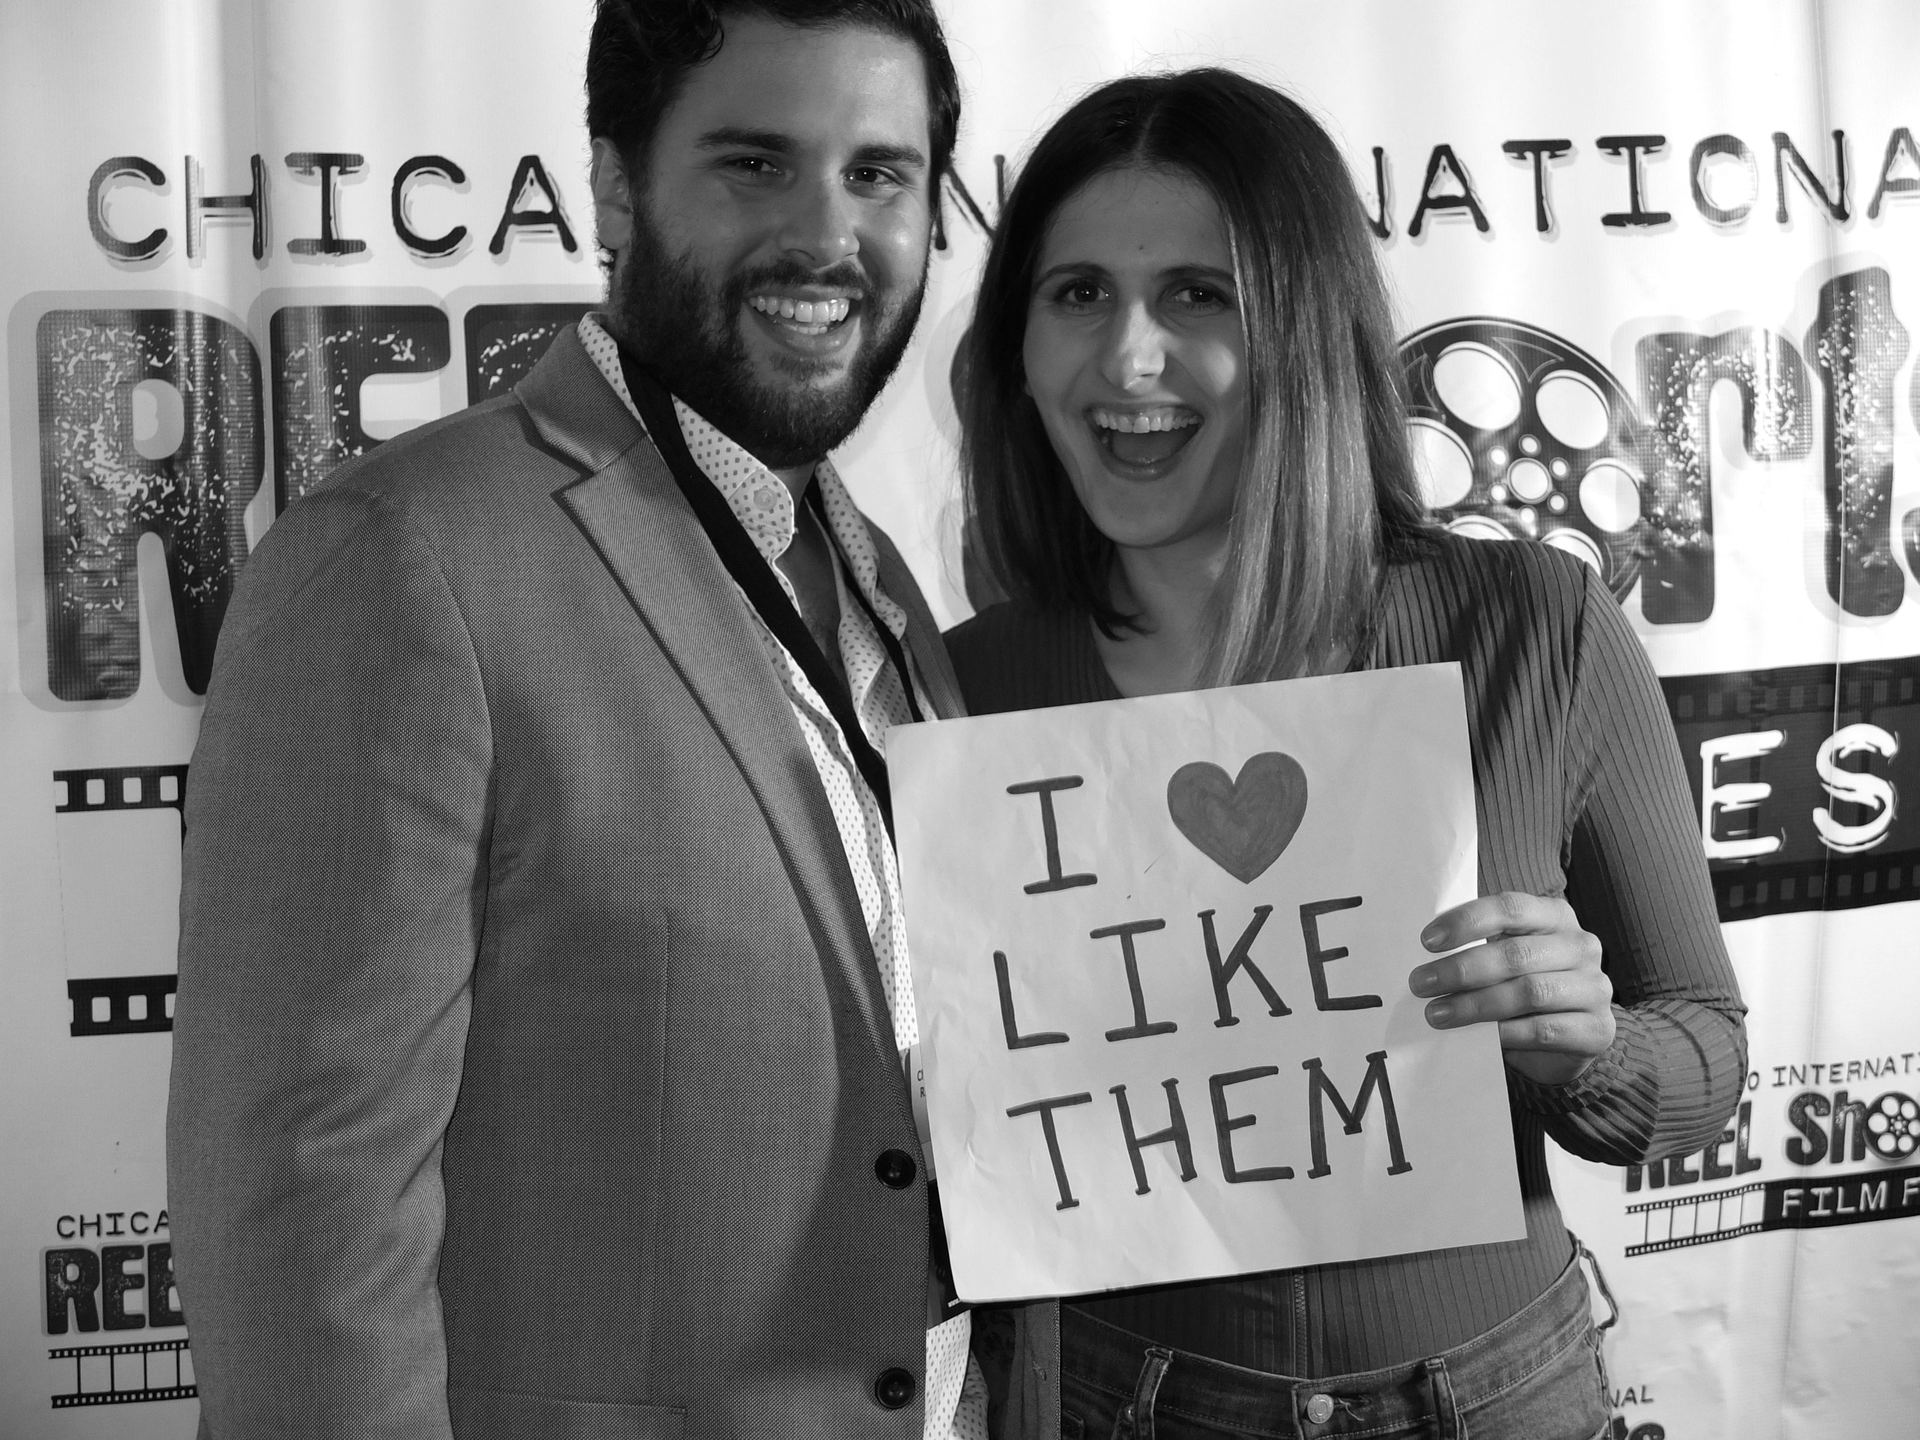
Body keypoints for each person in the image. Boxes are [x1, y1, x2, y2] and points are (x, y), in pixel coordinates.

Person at [166, 3, 991, 1437]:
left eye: (879, 176)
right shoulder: (403, 555)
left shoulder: (878, 580)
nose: (826, 235)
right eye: (754, 165)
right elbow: (305, 1197)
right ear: (616, 188)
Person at [946, 70, 1746, 1440]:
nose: (1128, 360)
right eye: (1076, 293)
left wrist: (1592, 1045)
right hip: (1110, 1404)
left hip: (1498, 1394)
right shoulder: (962, 693)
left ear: (1307, 334)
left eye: (1201, 295)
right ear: (1016, 345)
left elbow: (1707, 1062)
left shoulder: (1531, 628)